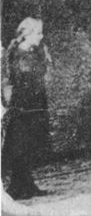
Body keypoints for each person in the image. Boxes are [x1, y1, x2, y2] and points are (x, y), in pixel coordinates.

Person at [1, 18, 51, 200]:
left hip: (34, 104)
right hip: (24, 105)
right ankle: (17, 186)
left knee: (29, 144)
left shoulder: (32, 52)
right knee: (20, 145)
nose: (41, 36)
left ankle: (26, 184)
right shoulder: (19, 54)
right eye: (38, 33)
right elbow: (27, 75)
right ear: (27, 34)